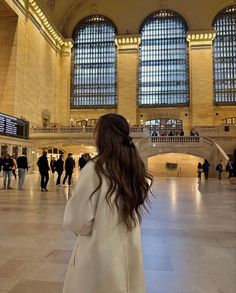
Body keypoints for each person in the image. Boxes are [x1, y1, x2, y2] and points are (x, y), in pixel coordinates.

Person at [62, 113, 153, 293]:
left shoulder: (95, 169)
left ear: (103, 136)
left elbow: (77, 221)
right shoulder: (134, 167)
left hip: (99, 256)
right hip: (129, 251)